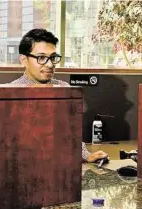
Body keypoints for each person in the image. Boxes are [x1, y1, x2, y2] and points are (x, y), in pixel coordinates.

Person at [11, 28, 108, 163]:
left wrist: (86, 155)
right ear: (24, 60)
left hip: (60, 168)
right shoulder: (9, 94)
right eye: (41, 58)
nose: (50, 64)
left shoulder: (64, 90)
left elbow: (72, 133)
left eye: (53, 58)